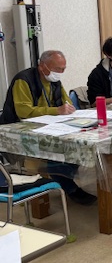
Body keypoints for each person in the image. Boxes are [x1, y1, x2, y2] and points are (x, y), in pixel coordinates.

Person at [0, 50, 95, 205]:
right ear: (42, 66)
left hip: (48, 126)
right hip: (20, 128)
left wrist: (69, 109)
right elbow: (24, 111)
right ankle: (67, 185)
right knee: (58, 151)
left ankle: (62, 178)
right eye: (57, 69)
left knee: (76, 147)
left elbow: (66, 102)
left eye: (63, 69)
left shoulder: (55, 81)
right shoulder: (23, 80)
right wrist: (56, 111)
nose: (60, 73)